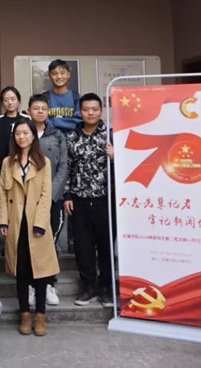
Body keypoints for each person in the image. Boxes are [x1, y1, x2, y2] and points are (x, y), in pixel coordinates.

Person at [0, 119, 59, 337]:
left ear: (34, 135)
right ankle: (24, 313)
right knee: (21, 270)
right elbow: (3, 194)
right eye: (18, 133)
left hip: (36, 223)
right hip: (16, 223)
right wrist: (3, 221)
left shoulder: (43, 162)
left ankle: (40, 314)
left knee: (40, 271)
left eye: (25, 133)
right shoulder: (8, 163)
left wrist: (41, 223)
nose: (22, 137)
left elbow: (46, 195)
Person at [64, 93, 114, 308]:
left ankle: (106, 287)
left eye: (94, 109)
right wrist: (67, 195)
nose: (90, 113)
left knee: (106, 245)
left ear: (101, 111)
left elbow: (129, 166)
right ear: (80, 112)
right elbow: (67, 168)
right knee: (83, 246)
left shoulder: (111, 136)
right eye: (86, 109)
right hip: (79, 200)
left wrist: (115, 156)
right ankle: (88, 286)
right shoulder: (71, 137)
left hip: (105, 199)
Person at [28, 94, 68, 306]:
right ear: (29, 110)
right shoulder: (23, 133)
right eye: (36, 108)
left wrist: (50, 195)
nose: (40, 112)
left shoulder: (57, 135)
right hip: (28, 198)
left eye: (44, 108)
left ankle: (49, 284)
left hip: (53, 199)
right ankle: (31, 285)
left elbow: (63, 167)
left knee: (50, 242)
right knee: (29, 242)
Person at [42, 59, 82, 133]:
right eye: (54, 74)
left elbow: (79, 122)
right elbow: (41, 120)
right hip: (50, 138)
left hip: (72, 138)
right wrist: (66, 123)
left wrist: (55, 121)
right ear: (49, 76)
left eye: (62, 73)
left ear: (68, 75)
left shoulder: (76, 98)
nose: (59, 77)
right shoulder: (44, 98)